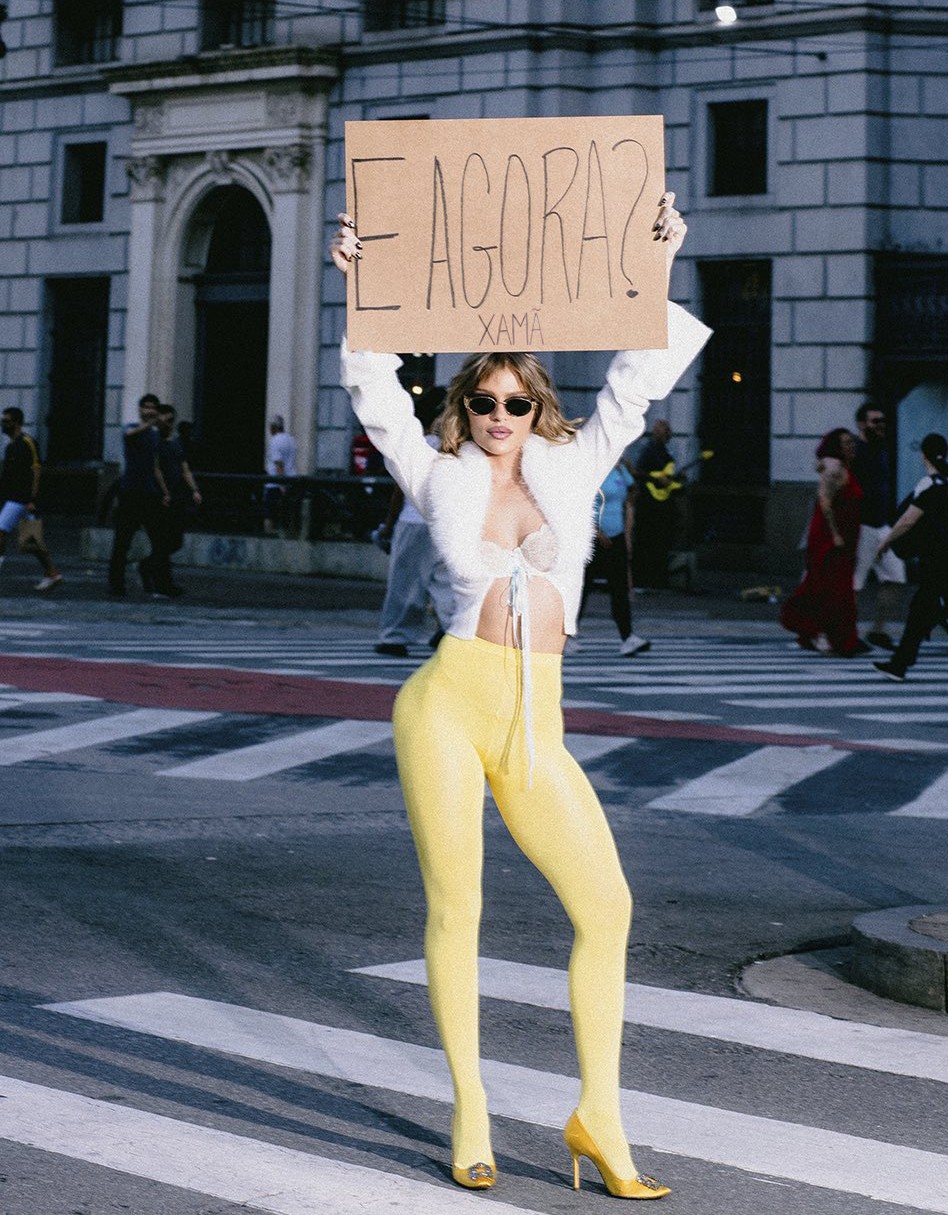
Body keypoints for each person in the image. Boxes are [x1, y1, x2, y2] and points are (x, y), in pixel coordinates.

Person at [332, 193, 709, 1199]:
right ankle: (471, 1107)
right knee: (458, 908)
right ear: (465, 408)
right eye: (485, 403)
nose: (500, 418)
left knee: (608, 906)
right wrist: (363, 285)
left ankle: (600, 1118)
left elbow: (633, 383)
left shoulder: (572, 472)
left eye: (517, 403)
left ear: (540, 409)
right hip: (446, 706)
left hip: (537, 724)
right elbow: (375, 393)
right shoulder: (439, 477)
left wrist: (659, 260)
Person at [873, 433, 948, 685]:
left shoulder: (930, 484)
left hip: (938, 563)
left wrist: (886, 542)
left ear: (923, 455)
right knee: (920, 612)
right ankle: (899, 665)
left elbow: (908, 520)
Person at [374, 399, 454, 658]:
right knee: (446, 583)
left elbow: (401, 490)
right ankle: (453, 631)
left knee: (406, 582)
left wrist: (388, 526)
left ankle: (395, 636)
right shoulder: (458, 449)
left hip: (414, 520)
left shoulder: (419, 447)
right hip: (446, 523)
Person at [779, 428, 867, 657]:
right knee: (829, 586)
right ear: (836, 446)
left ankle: (832, 635)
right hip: (831, 537)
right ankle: (823, 634)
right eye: (846, 443)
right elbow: (825, 501)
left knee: (839, 587)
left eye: (852, 442)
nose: (851, 446)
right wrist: (835, 534)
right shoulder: (833, 467)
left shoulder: (844, 466)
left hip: (846, 536)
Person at [0, 407, 62, 591]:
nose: (3, 425)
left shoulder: (27, 443)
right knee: (29, 541)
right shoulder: (11, 447)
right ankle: (52, 573)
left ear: (17, 423)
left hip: (21, 500)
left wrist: (32, 499)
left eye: (7, 421)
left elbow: (36, 472)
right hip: (17, 499)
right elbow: (7, 475)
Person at [578, 459, 651, 655]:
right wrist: (597, 531)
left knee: (619, 588)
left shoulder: (619, 470)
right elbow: (579, 504)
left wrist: (628, 513)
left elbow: (632, 489)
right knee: (582, 588)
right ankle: (567, 635)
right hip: (593, 538)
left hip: (616, 536)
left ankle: (627, 637)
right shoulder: (591, 469)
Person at [850, 403, 905, 649]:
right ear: (862, 424)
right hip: (861, 526)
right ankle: (848, 633)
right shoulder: (855, 450)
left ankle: (878, 630)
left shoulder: (881, 449)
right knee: (855, 584)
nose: (880, 425)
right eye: (875, 421)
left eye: (882, 421)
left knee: (896, 575)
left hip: (881, 525)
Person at [108, 393, 169, 597]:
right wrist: (149, 424)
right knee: (122, 541)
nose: (150, 411)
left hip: (149, 493)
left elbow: (155, 465)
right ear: (140, 409)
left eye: (153, 407)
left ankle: (153, 578)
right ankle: (116, 584)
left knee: (159, 540)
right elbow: (129, 435)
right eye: (147, 407)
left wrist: (164, 491)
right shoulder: (131, 427)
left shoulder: (154, 435)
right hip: (130, 492)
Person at [147, 404, 202, 597]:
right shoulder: (154, 442)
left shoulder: (176, 443)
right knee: (162, 541)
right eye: (164, 420)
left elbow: (185, 469)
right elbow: (156, 469)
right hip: (160, 497)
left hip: (176, 496)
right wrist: (165, 492)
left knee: (174, 540)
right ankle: (162, 583)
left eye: (170, 420)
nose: (167, 424)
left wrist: (194, 489)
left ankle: (149, 567)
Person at [632, 418, 677, 588]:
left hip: (661, 504)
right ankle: (643, 578)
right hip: (647, 502)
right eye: (658, 431)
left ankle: (656, 578)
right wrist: (655, 479)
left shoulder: (666, 455)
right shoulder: (648, 451)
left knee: (658, 540)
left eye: (662, 431)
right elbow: (637, 472)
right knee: (646, 540)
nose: (659, 434)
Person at [264, 414, 298, 535]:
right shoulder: (292, 440)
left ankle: (268, 537)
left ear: (274, 427)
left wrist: (281, 485)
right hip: (292, 481)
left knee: (269, 515)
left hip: (276, 484)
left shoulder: (275, 441)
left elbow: (279, 465)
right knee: (289, 515)